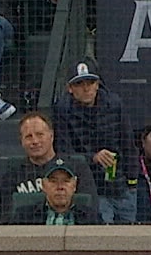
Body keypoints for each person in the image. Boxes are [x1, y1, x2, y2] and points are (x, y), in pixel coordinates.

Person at [54, 61, 129, 223]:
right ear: (70, 88)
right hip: (90, 187)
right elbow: (64, 153)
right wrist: (93, 157)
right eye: (79, 84)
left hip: (121, 186)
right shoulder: (62, 110)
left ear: (97, 84)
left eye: (90, 82)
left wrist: (132, 181)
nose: (86, 88)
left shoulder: (114, 104)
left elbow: (127, 143)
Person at [4, 110, 95, 197]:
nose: (35, 141)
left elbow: (90, 203)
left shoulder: (76, 167)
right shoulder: (13, 174)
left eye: (40, 134)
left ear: (51, 136)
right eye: (28, 136)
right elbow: (7, 206)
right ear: (21, 141)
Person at [7, 155, 93, 225]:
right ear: (43, 185)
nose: (60, 187)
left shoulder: (92, 218)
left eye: (66, 181)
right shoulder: (23, 217)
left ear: (74, 185)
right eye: (53, 181)